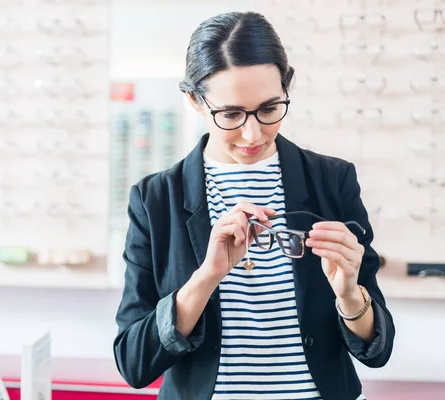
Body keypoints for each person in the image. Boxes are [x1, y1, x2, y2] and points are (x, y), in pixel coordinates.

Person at [113, 11, 394, 400]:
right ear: (194, 100)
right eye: (230, 114)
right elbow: (133, 362)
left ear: (286, 86)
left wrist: (349, 295)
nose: (252, 133)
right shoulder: (155, 199)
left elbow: (378, 349)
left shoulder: (333, 180)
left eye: (269, 108)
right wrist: (206, 277)